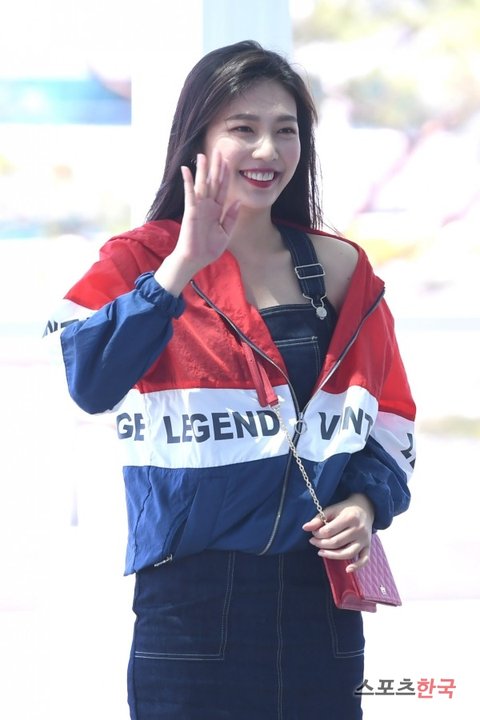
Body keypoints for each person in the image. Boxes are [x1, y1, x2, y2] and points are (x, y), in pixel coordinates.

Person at [45, 40, 416, 719]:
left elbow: (387, 415)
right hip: (191, 602)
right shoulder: (139, 260)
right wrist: (181, 267)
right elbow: (88, 380)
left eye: (285, 130)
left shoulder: (342, 268)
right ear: (199, 138)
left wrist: (366, 504)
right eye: (243, 128)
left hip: (320, 598)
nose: (267, 150)